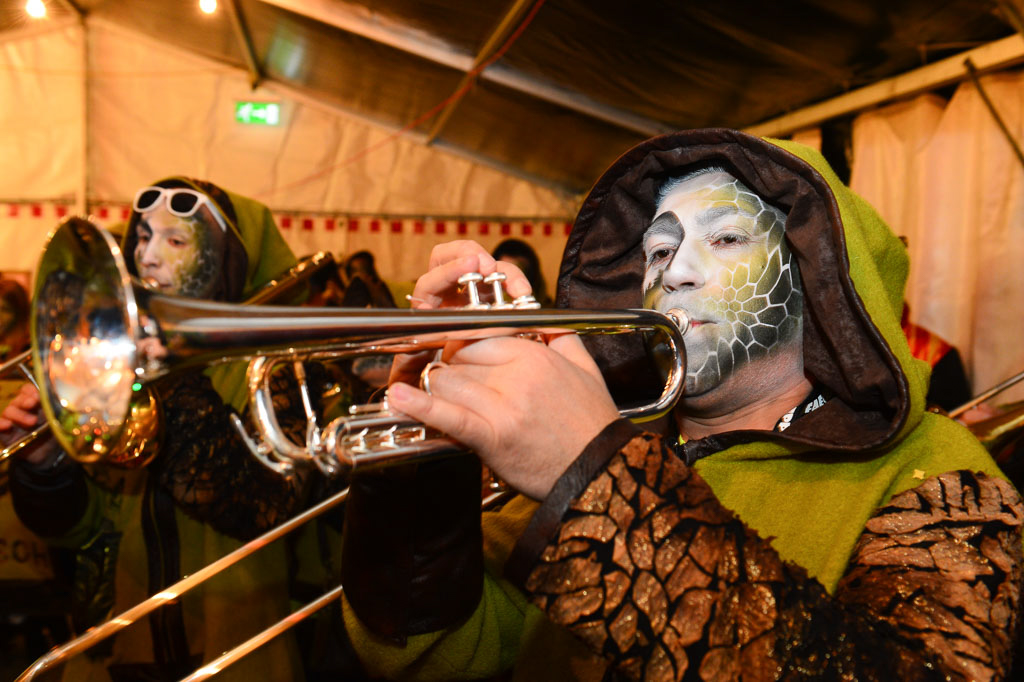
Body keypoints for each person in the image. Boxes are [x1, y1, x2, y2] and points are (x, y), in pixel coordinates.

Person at [340, 129, 1024, 680]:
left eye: (725, 238)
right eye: (659, 247)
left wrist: (597, 484)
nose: (676, 271)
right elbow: (425, 657)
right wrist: (422, 465)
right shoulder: (626, 431)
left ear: (816, 277)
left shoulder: (939, 473)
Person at [0, 177, 326, 681]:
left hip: (239, 656)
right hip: (111, 657)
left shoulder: (276, 370)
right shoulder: (111, 367)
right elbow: (79, 531)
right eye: (142, 238)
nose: (147, 258)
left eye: (176, 241)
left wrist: (174, 373)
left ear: (230, 262)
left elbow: (264, 507)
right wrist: (46, 464)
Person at [492, 238, 553, 307]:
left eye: (523, 274)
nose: (514, 284)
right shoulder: (486, 311)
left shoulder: (553, 312)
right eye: (503, 277)